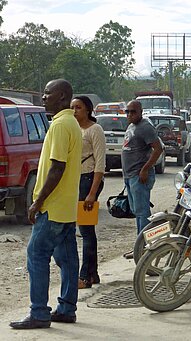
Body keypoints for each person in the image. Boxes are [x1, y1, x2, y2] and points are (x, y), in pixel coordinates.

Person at [10, 79, 82, 329]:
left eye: (48, 93)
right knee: (68, 258)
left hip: (52, 207)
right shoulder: (70, 122)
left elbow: (57, 168)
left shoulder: (61, 125)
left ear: (61, 96)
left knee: (37, 255)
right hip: (65, 206)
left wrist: (37, 201)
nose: (43, 97)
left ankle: (39, 312)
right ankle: (67, 308)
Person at [71, 96, 106, 289]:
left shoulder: (95, 130)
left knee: (86, 231)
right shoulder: (74, 128)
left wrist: (92, 193)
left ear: (88, 110)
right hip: (76, 180)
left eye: (79, 107)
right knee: (85, 230)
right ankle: (93, 274)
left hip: (89, 180)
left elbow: (100, 163)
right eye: (72, 107)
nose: (75, 111)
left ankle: (85, 276)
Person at [121, 100, 163, 258]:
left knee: (142, 213)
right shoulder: (132, 126)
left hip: (139, 176)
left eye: (133, 112)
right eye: (127, 112)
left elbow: (158, 149)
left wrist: (145, 169)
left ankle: (145, 249)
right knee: (137, 212)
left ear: (140, 112)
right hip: (130, 175)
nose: (130, 114)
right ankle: (140, 246)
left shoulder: (145, 127)